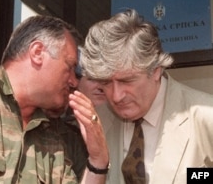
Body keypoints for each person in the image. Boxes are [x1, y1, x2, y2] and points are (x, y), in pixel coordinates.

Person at [0, 15, 109, 183]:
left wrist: (98, 161)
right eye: (69, 67)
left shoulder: (53, 142)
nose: (74, 81)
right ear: (38, 52)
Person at [79, 9, 213, 184]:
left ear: (156, 71)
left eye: (127, 80)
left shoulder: (206, 116)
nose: (116, 96)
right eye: (105, 83)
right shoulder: (100, 121)